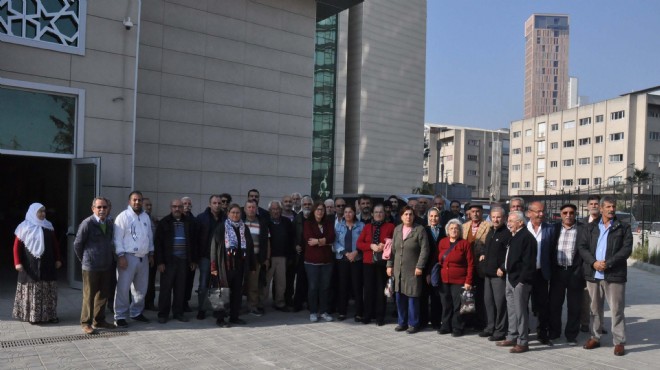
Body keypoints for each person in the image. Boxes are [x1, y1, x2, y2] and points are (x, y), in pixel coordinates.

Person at [579, 195, 632, 356]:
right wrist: (594, 263)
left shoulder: (623, 227)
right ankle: (595, 337)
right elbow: (582, 247)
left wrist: (607, 263)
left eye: (613, 206)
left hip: (614, 274)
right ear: (601, 209)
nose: (611, 209)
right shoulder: (590, 227)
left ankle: (619, 341)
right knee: (594, 309)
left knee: (617, 309)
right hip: (594, 274)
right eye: (608, 207)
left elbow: (626, 250)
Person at [13, 203, 62, 324]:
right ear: (33, 212)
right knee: (32, 290)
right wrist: (17, 262)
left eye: (44, 211)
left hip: (47, 264)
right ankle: (33, 317)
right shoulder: (23, 227)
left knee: (48, 290)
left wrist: (58, 259)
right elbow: (16, 247)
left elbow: (55, 245)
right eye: (40, 212)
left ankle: (50, 315)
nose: (43, 214)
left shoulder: (48, 226)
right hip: (30, 265)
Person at [496, 211, 537, 354]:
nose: (509, 223)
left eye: (512, 221)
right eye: (509, 220)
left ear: (521, 222)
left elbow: (528, 263)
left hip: (520, 281)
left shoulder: (527, 237)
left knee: (520, 312)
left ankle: (523, 341)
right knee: (512, 310)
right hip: (510, 278)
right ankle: (512, 336)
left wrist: (521, 281)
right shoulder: (514, 236)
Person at [74, 197, 116, 334]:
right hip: (91, 266)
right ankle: (86, 322)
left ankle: (99, 320)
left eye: (104, 207)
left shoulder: (110, 223)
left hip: (106, 265)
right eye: (99, 207)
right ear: (93, 209)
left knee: (103, 294)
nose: (102, 210)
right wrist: (85, 259)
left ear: (108, 208)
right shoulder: (87, 223)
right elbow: (77, 244)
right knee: (89, 295)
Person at [210, 204, 256, 326]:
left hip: (239, 266)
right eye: (233, 212)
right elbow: (214, 248)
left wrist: (252, 265)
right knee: (221, 292)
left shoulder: (244, 228)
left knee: (237, 292)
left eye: (237, 213)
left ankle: (234, 317)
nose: (235, 215)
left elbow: (250, 247)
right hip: (224, 266)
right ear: (228, 214)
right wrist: (213, 267)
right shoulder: (221, 228)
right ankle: (220, 319)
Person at [113, 191, 154, 327]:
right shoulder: (123, 217)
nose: (137, 202)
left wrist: (151, 253)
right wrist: (120, 256)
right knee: (123, 288)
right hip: (127, 257)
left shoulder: (145, 217)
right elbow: (117, 239)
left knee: (141, 288)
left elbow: (149, 236)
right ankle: (120, 316)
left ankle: (136, 312)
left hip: (143, 257)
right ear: (129, 201)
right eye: (134, 200)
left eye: (139, 200)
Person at [154, 199, 198, 323]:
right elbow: (158, 244)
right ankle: (163, 314)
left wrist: (193, 260)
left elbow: (194, 242)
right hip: (168, 261)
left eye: (179, 206)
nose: (177, 209)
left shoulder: (189, 222)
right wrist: (160, 262)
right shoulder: (164, 222)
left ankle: (178, 313)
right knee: (165, 289)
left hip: (183, 260)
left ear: (183, 208)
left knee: (180, 289)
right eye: (174, 206)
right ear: (170, 207)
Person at [387, 206, 429, 334]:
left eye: (410, 214)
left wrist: (420, 266)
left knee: (412, 297)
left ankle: (413, 323)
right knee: (400, 297)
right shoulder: (397, 229)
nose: (408, 217)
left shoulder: (419, 230)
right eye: (405, 214)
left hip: (413, 270)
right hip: (398, 270)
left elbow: (425, 250)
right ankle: (402, 322)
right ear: (401, 216)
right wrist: (389, 265)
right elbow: (393, 250)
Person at [548, 203, 584, 345]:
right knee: (555, 305)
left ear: (575, 214)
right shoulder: (554, 228)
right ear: (561, 214)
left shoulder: (582, 229)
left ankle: (571, 335)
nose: (568, 215)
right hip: (558, 272)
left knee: (574, 306)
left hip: (575, 272)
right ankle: (554, 332)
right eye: (565, 213)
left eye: (571, 213)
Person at [358, 204, 395, 325]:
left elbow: (394, 243)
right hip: (368, 262)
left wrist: (385, 246)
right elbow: (359, 243)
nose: (378, 214)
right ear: (372, 214)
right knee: (368, 290)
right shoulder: (367, 227)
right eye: (376, 212)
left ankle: (380, 317)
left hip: (382, 262)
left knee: (381, 290)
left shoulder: (390, 227)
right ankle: (368, 315)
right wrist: (370, 246)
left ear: (384, 214)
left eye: (381, 212)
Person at [436, 218, 473, 337]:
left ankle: (458, 327)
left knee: (458, 305)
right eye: (451, 228)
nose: (454, 231)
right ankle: (445, 326)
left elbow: (471, 264)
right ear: (447, 230)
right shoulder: (442, 242)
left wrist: (468, 281)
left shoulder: (464, 244)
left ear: (460, 231)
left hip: (459, 280)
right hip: (444, 279)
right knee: (446, 304)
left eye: (456, 229)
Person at [526, 201, 555, 345]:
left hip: (541, 273)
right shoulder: (523, 229)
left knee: (542, 305)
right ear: (529, 213)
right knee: (523, 303)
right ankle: (523, 332)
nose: (541, 214)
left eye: (543, 211)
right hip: (525, 274)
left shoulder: (550, 229)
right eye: (538, 211)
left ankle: (542, 333)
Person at [302, 201, 336, 322]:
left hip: (327, 261)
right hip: (312, 262)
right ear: (313, 211)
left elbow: (332, 237)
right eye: (317, 209)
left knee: (325, 287)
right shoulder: (308, 223)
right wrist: (325, 241)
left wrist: (319, 241)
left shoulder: (328, 223)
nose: (320, 211)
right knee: (313, 287)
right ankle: (313, 311)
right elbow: (309, 239)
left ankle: (324, 311)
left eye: (322, 209)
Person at [481, 206, 511, 342]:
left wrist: (503, 268)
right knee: (488, 302)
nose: (496, 219)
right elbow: (487, 247)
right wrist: (482, 254)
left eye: (498, 217)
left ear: (504, 218)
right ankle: (490, 327)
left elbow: (509, 254)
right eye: (493, 217)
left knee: (500, 303)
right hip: (487, 273)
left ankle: (500, 330)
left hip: (499, 275)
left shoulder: (507, 233)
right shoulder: (490, 231)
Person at [462, 204, 492, 332]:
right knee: (467, 295)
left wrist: (485, 253)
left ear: (482, 212)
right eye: (473, 211)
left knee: (480, 296)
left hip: (481, 266)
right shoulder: (464, 226)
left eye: (478, 211)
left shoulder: (488, 226)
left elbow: (490, 244)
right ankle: (468, 321)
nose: (475, 214)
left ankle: (480, 322)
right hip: (467, 266)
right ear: (469, 213)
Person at [580, 195, 606, 334]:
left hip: (601, 267)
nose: (594, 206)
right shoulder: (582, 223)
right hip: (586, 265)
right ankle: (584, 323)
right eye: (592, 204)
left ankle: (599, 325)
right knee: (586, 297)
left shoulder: (606, 222)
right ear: (588, 206)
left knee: (600, 298)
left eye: (597, 204)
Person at [196, 195, 225, 320]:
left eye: (219, 203)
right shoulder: (201, 218)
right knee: (203, 285)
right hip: (205, 257)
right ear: (210, 204)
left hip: (220, 258)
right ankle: (201, 309)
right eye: (214, 203)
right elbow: (196, 238)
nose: (217, 205)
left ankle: (217, 309)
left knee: (218, 285)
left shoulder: (226, 219)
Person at [334, 204, 365, 321]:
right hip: (342, 260)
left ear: (354, 213)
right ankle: (342, 312)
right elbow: (335, 242)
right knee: (343, 286)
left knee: (357, 286)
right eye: (346, 212)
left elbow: (364, 241)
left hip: (356, 260)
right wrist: (346, 253)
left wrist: (356, 252)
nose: (348, 214)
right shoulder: (339, 226)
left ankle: (359, 313)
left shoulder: (361, 226)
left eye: (350, 212)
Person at [243, 200, 270, 316]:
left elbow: (268, 242)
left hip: (256, 258)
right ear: (245, 209)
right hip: (242, 259)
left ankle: (252, 306)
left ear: (256, 209)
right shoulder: (240, 222)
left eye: (253, 207)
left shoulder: (262, 223)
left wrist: (267, 258)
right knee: (240, 283)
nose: (251, 209)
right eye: (249, 207)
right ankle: (236, 306)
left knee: (254, 285)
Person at [266, 200, 295, 311]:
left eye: (278, 209)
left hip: (282, 257)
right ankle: (259, 304)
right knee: (266, 282)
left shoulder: (286, 222)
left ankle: (279, 303)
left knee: (281, 283)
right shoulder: (266, 222)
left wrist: (290, 256)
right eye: (273, 209)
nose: (276, 211)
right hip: (269, 257)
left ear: (281, 210)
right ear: (270, 211)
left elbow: (291, 238)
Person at [421, 207, 444, 330]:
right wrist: (427, 271)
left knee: (437, 296)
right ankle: (423, 321)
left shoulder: (444, 230)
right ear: (428, 217)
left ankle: (436, 321)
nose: (433, 218)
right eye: (431, 216)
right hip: (425, 267)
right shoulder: (423, 230)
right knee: (424, 296)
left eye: (436, 216)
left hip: (439, 267)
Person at [289, 196, 313, 311]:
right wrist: (295, 245)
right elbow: (292, 235)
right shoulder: (297, 218)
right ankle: (297, 303)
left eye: (309, 204)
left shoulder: (316, 218)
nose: (307, 206)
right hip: (301, 254)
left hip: (313, 253)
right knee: (300, 279)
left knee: (311, 280)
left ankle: (310, 303)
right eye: (305, 204)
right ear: (302, 206)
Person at [143, 197, 159, 311]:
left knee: (151, 280)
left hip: (152, 255)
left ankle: (149, 303)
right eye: (146, 205)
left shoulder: (153, 219)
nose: (149, 207)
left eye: (150, 205)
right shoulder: (137, 219)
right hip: (140, 255)